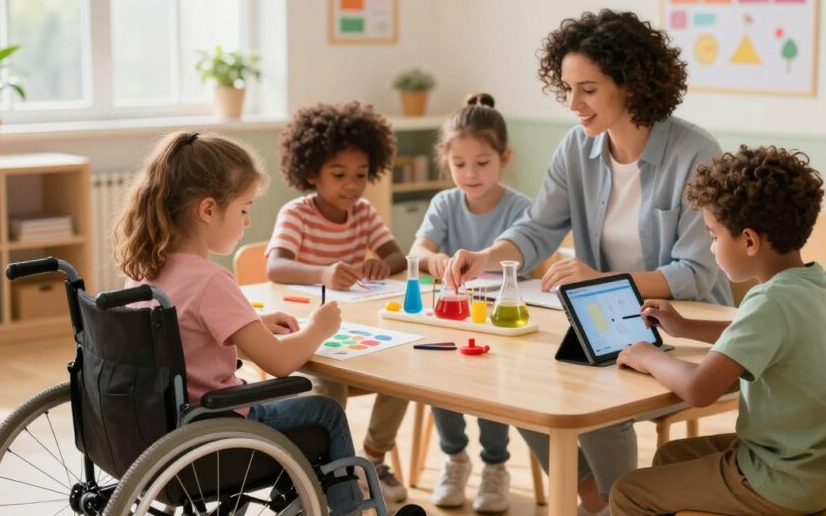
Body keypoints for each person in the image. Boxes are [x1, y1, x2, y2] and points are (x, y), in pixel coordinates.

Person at [445, 9, 731, 516]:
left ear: (632, 83)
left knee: (596, 395)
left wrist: (602, 280)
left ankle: (623, 506)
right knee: (519, 384)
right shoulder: (578, 147)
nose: (574, 104)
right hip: (607, 320)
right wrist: (485, 256)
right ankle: (594, 497)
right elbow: (537, 228)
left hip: (688, 328)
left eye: (589, 89)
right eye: (568, 89)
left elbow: (696, 274)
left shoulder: (695, 153)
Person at [114, 131, 360, 514]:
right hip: (213, 428)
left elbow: (183, 331)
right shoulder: (210, 280)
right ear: (208, 210)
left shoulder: (145, 271)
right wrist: (320, 327)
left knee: (288, 405)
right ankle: (347, 509)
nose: (247, 222)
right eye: (244, 210)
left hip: (157, 425)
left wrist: (252, 322)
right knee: (323, 410)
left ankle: (295, 495)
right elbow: (279, 363)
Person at [611, 145, 826, 516]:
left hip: (782, 481)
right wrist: (686, 326)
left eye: (713, 235)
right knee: (670, 456)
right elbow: (766, 336)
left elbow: (699, 389)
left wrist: (646, 355)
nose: (710, 248)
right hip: (821, 468)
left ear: (749, 240)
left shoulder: (769, 302)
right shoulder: (815, 282)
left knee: (629, 491)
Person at [265, 101, 409, 502]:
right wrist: (322, 272)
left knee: (405, 375)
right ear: (312, 172)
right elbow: (276, 266)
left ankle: (374, 458)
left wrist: (381, 262)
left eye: (361, 175)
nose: (352, 185)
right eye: (339, 174)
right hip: (309, 332)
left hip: (361, 328)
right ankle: (329, 465)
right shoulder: (297, 213)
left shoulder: (363, 213)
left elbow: (397, 255)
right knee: (329, 385)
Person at [409, 93, 531, 512]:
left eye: (482, 163)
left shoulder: (521, 208)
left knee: (490, 383)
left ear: (504, 157)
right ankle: (454, 457)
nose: (470, 173)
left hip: (501, 325)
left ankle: (495, 467)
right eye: (459, 165)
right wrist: (435, 258)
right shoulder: (445, 203)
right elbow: (417, 252)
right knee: (438, 372)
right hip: (455, 320)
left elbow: (527, 258)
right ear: (447, 162)